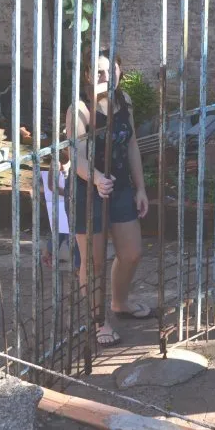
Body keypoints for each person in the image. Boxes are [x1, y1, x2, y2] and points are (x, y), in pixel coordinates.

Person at [63, 48, 152, 348]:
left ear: (119, 71)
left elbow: (132, 144)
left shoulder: (124, 100)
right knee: (94, 263)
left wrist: (140, 188)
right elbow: (77, 156)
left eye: (111, 70)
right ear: (88, 75)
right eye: (99, 71)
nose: (106, 76)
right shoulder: (80, 109)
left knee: (132, 253)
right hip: (88, 191)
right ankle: (99, 321)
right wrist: (97, 178)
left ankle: (119, 303)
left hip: (120, 188)